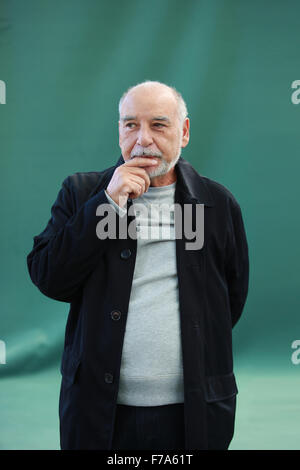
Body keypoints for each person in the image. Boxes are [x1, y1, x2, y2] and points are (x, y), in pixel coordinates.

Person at [27, 80, 249, 450]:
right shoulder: (81, 193)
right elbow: (51, 277)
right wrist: (108, 204)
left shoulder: (216, 203)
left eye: (158, 125)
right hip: (100, 412)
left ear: (184, 132)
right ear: (119, 131)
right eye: (130, 125)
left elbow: (229, 300)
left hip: (194, 411)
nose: (142, 139)